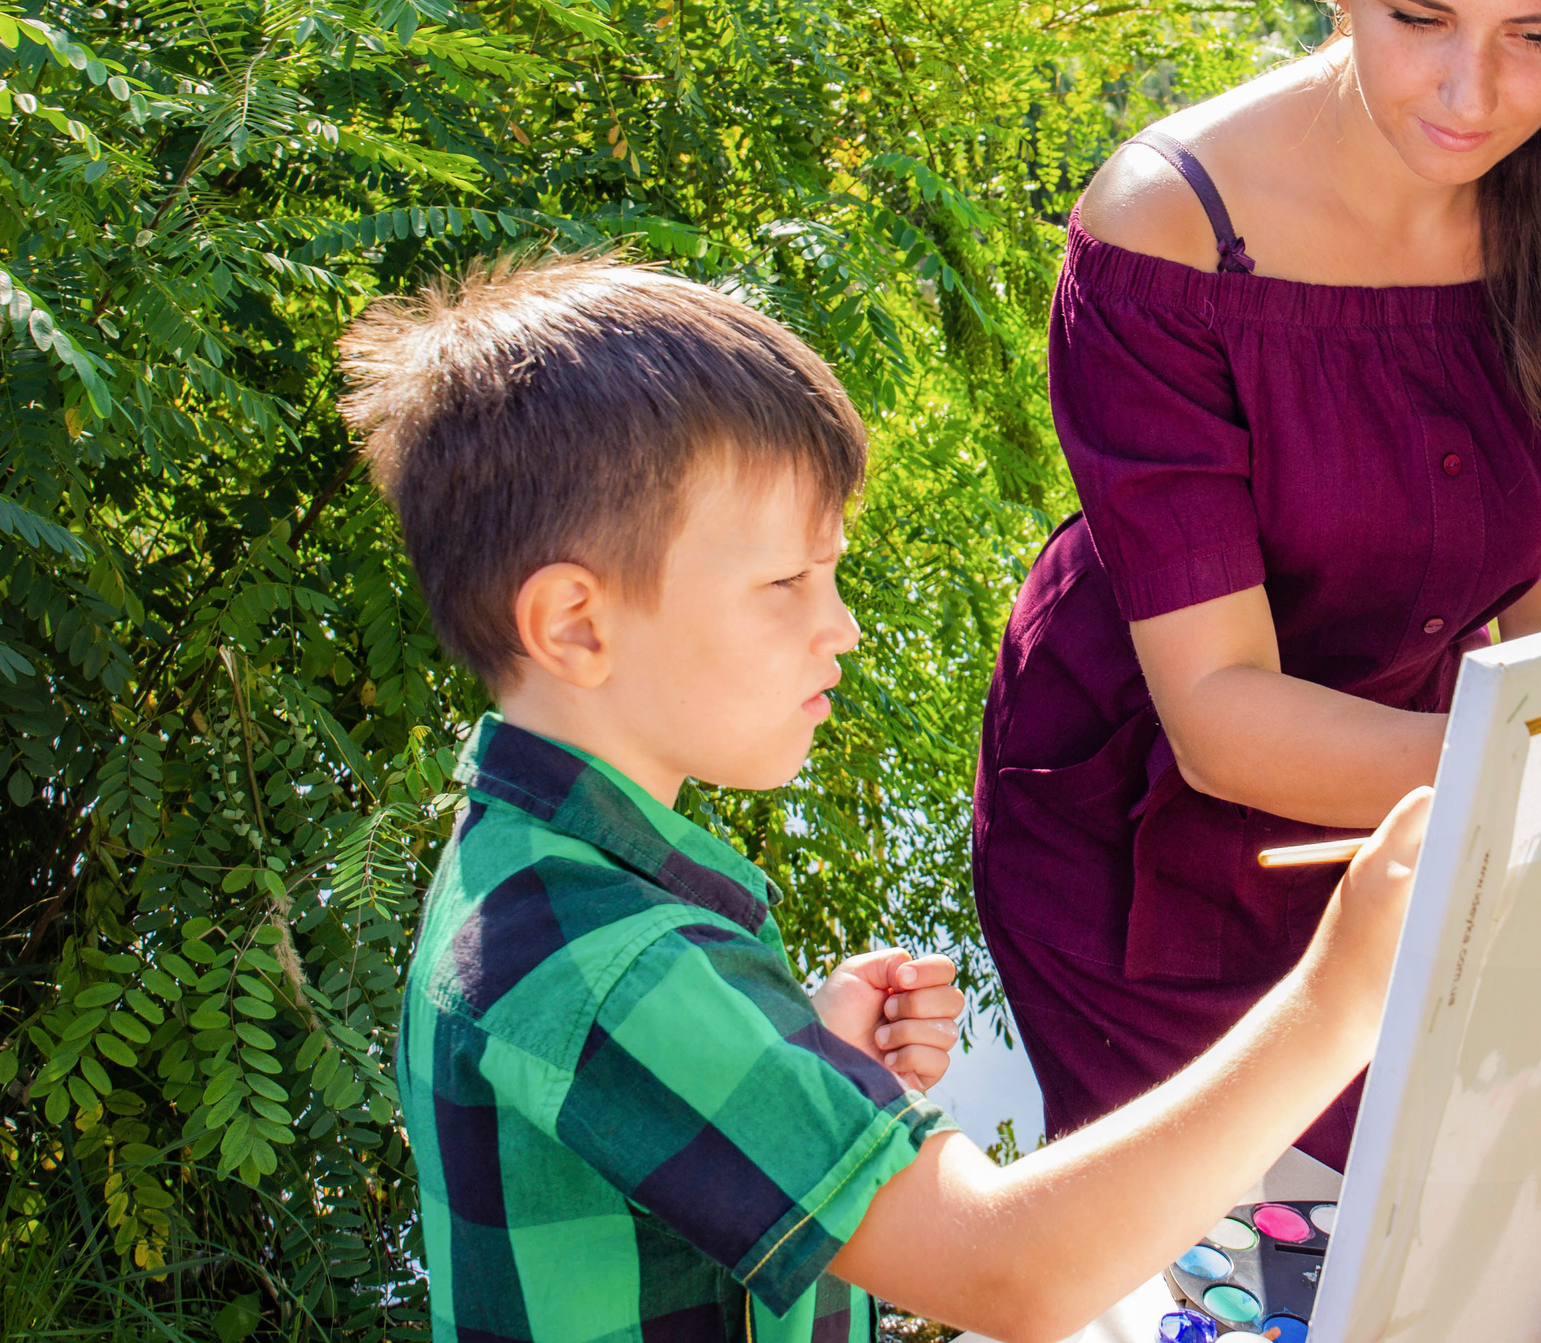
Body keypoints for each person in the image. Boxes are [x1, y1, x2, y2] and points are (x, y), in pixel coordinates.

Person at [350, 254, 1429, 1343]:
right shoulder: (615, 967)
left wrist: (799, 1059)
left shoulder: (525, 872)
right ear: (576, 625)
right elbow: (1011, 1272)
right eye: (787, 583)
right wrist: (1341, 994)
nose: (843, 627)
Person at [974, 0, 1541, 1169]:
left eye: (1536, 35)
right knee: (1242, 1255)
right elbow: (1223, 717)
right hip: (1141, 846)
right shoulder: (1169, 227)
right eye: (1419, 17)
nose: (1469, 94)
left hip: (1422, 813)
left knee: (1473, 1205)